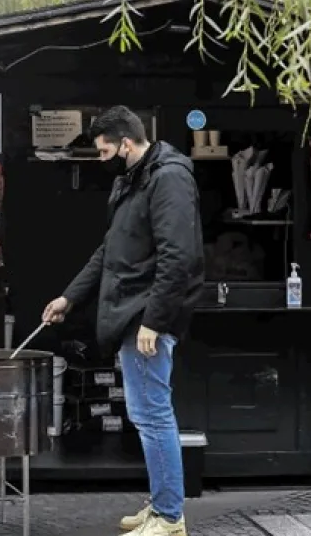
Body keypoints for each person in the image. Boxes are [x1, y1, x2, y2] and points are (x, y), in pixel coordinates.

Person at [42, 106, 204, 536]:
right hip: (135, 312)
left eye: (103, 151)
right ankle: (161, 505)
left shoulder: (168, 178)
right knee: (146, 413)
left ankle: (169, 517)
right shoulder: (134, 181)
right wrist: (69, 297)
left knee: (152, 415)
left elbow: (179, 257)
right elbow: (109, 251)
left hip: (145, 316)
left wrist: (154, 320)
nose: (101, 160)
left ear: (126, 144)